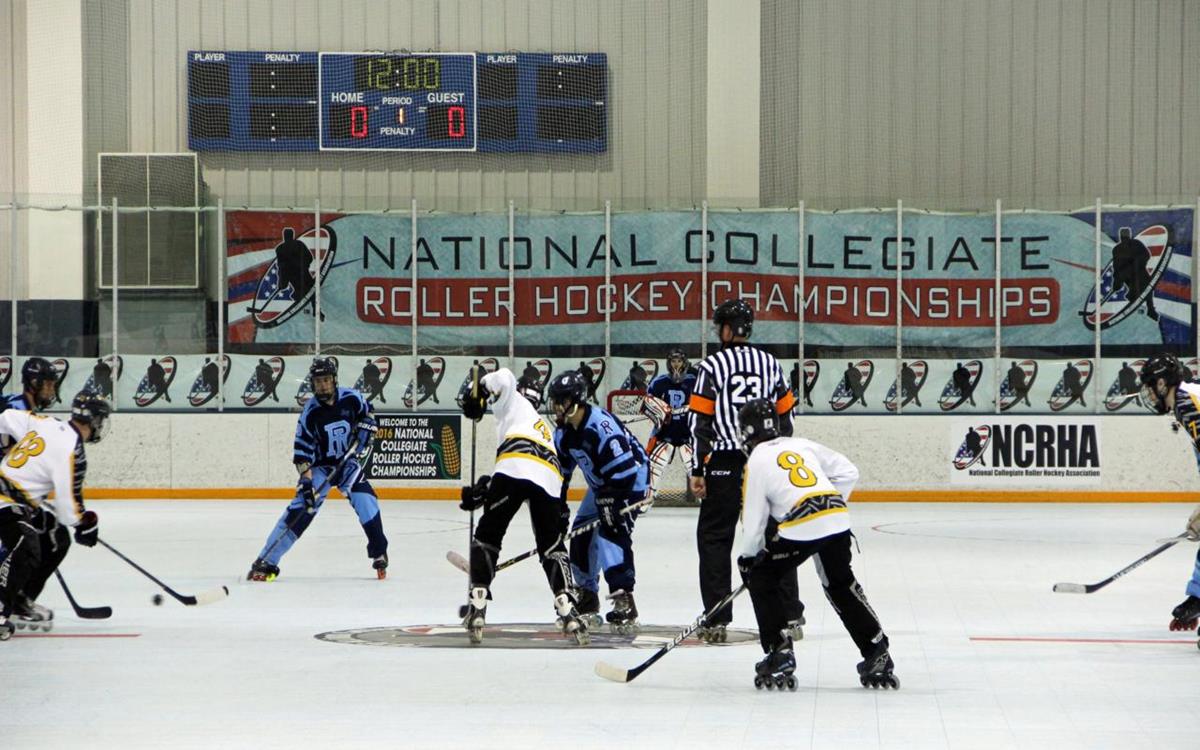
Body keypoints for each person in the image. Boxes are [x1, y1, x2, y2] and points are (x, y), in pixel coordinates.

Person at [735, 399, 898, 690]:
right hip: (836, 515)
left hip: (800, 525)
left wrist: (748, 559)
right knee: (840, 584)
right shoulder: (801, 444)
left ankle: (780, 652)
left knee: (763, 578)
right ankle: (877, 652)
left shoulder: (756, 460)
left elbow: (754, 521)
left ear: (746, 431)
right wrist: (829, 507)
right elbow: (849, 472)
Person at [688, 298, 799, 643]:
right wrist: (778, 452)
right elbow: (788, 417)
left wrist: (697, 467)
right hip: (766, 460)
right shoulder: (769, 363)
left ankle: (717, 616)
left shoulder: (712, 365)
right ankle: (790, 615)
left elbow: (699, 422)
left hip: (724, 462)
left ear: (727, 329)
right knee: (775, 534)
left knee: (715, 537)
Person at [458, 365, 588, 645]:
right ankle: (566, 604)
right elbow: (538, 469)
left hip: (514, 466)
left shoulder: (512, 400)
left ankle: (478, 598)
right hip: (548, 477)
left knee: (488, 534)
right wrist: (488, 489)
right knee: (551, 547)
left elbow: (503, 376)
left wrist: (477, 390)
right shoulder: (545, 428)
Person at [247, 358, 387, 581]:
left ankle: (379, 552)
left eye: (326, 380)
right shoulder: (310, 413)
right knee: (303, 508)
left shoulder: (352, 398)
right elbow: (302, 453)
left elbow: (368, 413)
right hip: (320, 468)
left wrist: (368, 426)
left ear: (334, 380)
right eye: (318, 381)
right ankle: (267, 559)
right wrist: (306, 481)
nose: (323, 385)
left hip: (347, 464)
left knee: (366, 500)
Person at [0, 395, 109, 639]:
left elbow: (6, 418)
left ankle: (19, 600)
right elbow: (68, 509)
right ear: (95, 421)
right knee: (24, 542)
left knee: (56, 537)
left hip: (16, 500)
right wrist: (86, 524)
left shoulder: (47, 422)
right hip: (6, 501)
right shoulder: (74, 451)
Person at [550, 370, 649, 634]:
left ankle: (623, 598)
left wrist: (611, 503)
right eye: (555, 400)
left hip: (631, 482)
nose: (557, 407)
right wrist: (558, 508)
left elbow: (627, 469)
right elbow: (562, 474)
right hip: (602, 487)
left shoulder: (601, 427)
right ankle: (587, 596)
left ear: (578, 400)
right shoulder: (564, 433)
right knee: (581, 532)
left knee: (610, 532)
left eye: (562, 400)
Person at [1137, 354, 1200, 633]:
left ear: (1162, 383)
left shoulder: (1187, 404)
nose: (1149, 394)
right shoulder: (1186, 400)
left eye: (1151, 386)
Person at [643, 348, 697, 501]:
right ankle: (645, 500)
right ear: (668, 363)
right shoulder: (658, 382)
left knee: (697, 469)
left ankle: (708, 501)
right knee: (653, 468)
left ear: (685, 363)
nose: (676, 364)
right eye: (673, 361)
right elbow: (648, 404)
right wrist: (659, 412)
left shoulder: (694, 381)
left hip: (689, 436)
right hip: (663, 435)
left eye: (679, 361)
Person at [1111, 227, 1158, 321]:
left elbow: (1146, 255)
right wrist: (1117, 282)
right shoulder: (1117, 249)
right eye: (1123, 236)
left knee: (1148, 288)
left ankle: (1150, 309)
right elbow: (1116, 267)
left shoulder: (1136, 243)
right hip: (1128, 276)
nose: (1124, 237)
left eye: (1125, 235)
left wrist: (1137, 264)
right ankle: (1135, 309)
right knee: (1135, 292)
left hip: (1140, 272)